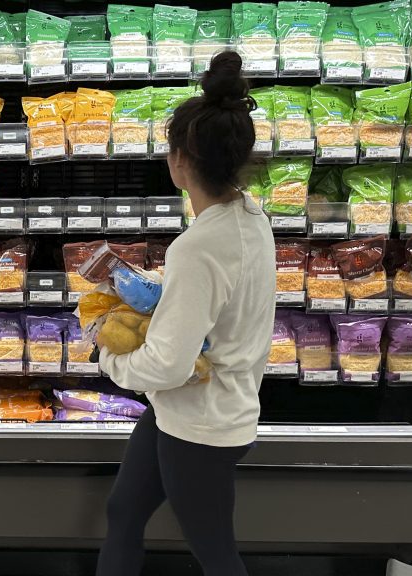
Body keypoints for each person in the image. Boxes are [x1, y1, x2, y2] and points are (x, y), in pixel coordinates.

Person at [95, 51, 276, 576]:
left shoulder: (199, 245)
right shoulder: (248, 216)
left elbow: (169, 365)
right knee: (124, 510)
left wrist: (107, 358)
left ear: (178, 160)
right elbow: (222, 295)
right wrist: (148, 285)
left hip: (201, 423)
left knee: (216, 553)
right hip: (187, 411)